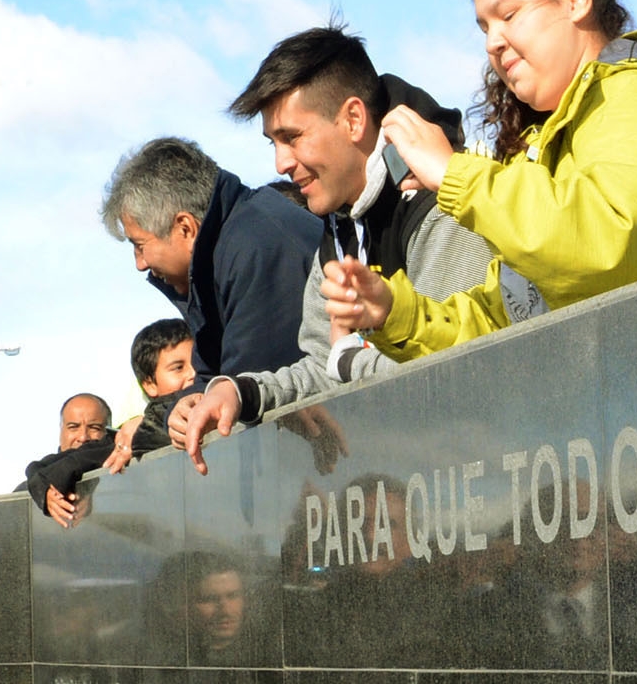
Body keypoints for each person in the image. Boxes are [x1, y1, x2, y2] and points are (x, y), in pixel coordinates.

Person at [323, 0, 637, 359]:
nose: (493, 42)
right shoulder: (542, 153)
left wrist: (454, 173)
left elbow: (605, 246)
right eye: (484, 27)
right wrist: (396, 315)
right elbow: (506, 316)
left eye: (508, 15)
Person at [180, 24, 545, 471]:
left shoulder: (444, 203)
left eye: (292, 137)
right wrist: (239, 392)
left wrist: (350, 359)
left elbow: (455, 377)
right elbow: (320, 366)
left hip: (505, 482)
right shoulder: (338, 229)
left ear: (354, 119)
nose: (280, 163)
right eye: (273, 143)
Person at [98, 136, 320, 444]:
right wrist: (175, 411)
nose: (140, 263)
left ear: (185, 228)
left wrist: (160, 425)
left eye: (140, 245)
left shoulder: (257, 248)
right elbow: (213, 381)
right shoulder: (228, 249)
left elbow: (241, 395)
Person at [100, 319, 199, 475]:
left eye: (197, 362)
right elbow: (90, 453)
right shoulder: (134, 434)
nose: (193, 374)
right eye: (178, 368)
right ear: (149, 384)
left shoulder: (221, 398)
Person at [23, 393, 115, 526]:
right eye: (73, 427)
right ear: (61, 431)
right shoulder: (25, 495)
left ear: (108, 433)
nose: (83, 437)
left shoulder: (125, 478)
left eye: (94, 428)